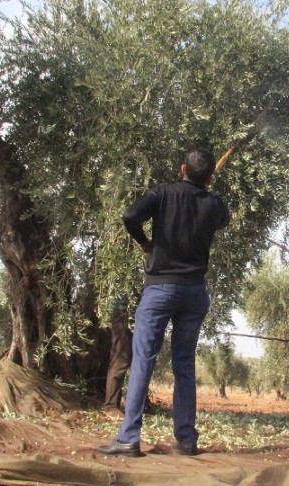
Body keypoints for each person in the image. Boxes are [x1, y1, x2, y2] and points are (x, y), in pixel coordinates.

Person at [98, 148, 230, 458]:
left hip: (160, 289)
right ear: (210, 176)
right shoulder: (215, 205)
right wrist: (207, 190)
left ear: (182, 167)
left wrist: (145, 242)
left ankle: (129, 438)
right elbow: (221, 216)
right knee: (184, 364)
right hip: (195, 292)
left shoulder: (163, 192)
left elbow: (130, 215)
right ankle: (186, 440)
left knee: (144, 359)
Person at [102, 298, 132, 417]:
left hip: (133, 314)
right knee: (120, 360)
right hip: (122, 313)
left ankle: (136, 405)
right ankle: (111, 406)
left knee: (139, 361)